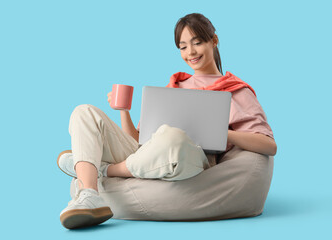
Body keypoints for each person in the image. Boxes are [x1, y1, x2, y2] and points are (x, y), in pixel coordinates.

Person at [57, 13, 277, 229]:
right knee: (84, 112)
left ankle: (102, 170)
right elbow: (138, 141)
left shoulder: (235, 90)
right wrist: (124, 110)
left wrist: (218, 133)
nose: (190, 52)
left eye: (197, 43)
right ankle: (89, 194)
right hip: (149, 155)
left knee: (173, 137)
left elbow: (269, 145)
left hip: (192, 160)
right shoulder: (174, 86)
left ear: (214, 41)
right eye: (183, 47)